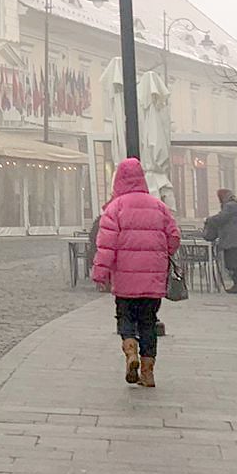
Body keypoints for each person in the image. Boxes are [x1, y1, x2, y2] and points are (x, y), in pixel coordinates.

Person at [92, 157, 181, 388]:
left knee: (126, 318)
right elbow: (174, 236)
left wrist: (100, 274)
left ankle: (130, 352)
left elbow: (106, 245)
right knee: (149, 323)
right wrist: (161, 254)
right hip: (153, 280)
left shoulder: (114, 208)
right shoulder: (159, 206)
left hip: (125, 280)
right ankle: (148, 372)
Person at [203, 187, 237, 294]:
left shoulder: (230, 206)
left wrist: (208, 219)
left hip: (233, 241)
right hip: (235, 240)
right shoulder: (233, 204)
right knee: (234, 264)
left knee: (234, 264)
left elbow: (221, 218)